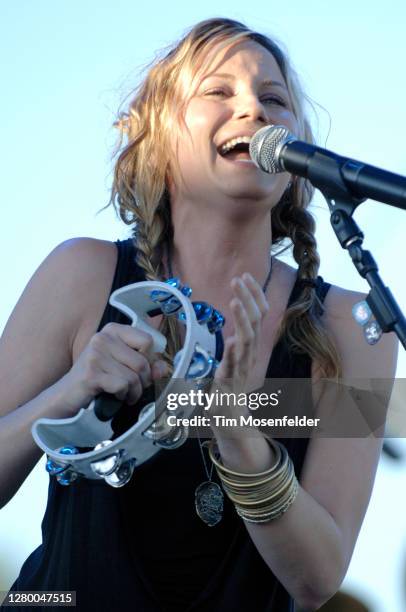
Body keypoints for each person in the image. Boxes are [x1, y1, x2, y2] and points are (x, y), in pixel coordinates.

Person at [0, 17, 398, 612]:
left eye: (274, 99)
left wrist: (238, 430)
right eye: (218, 91)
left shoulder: (354, 327)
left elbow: (317, 578)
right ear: (160, 137)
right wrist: (70, 389)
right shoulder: (81, 276)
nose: (253, 110)